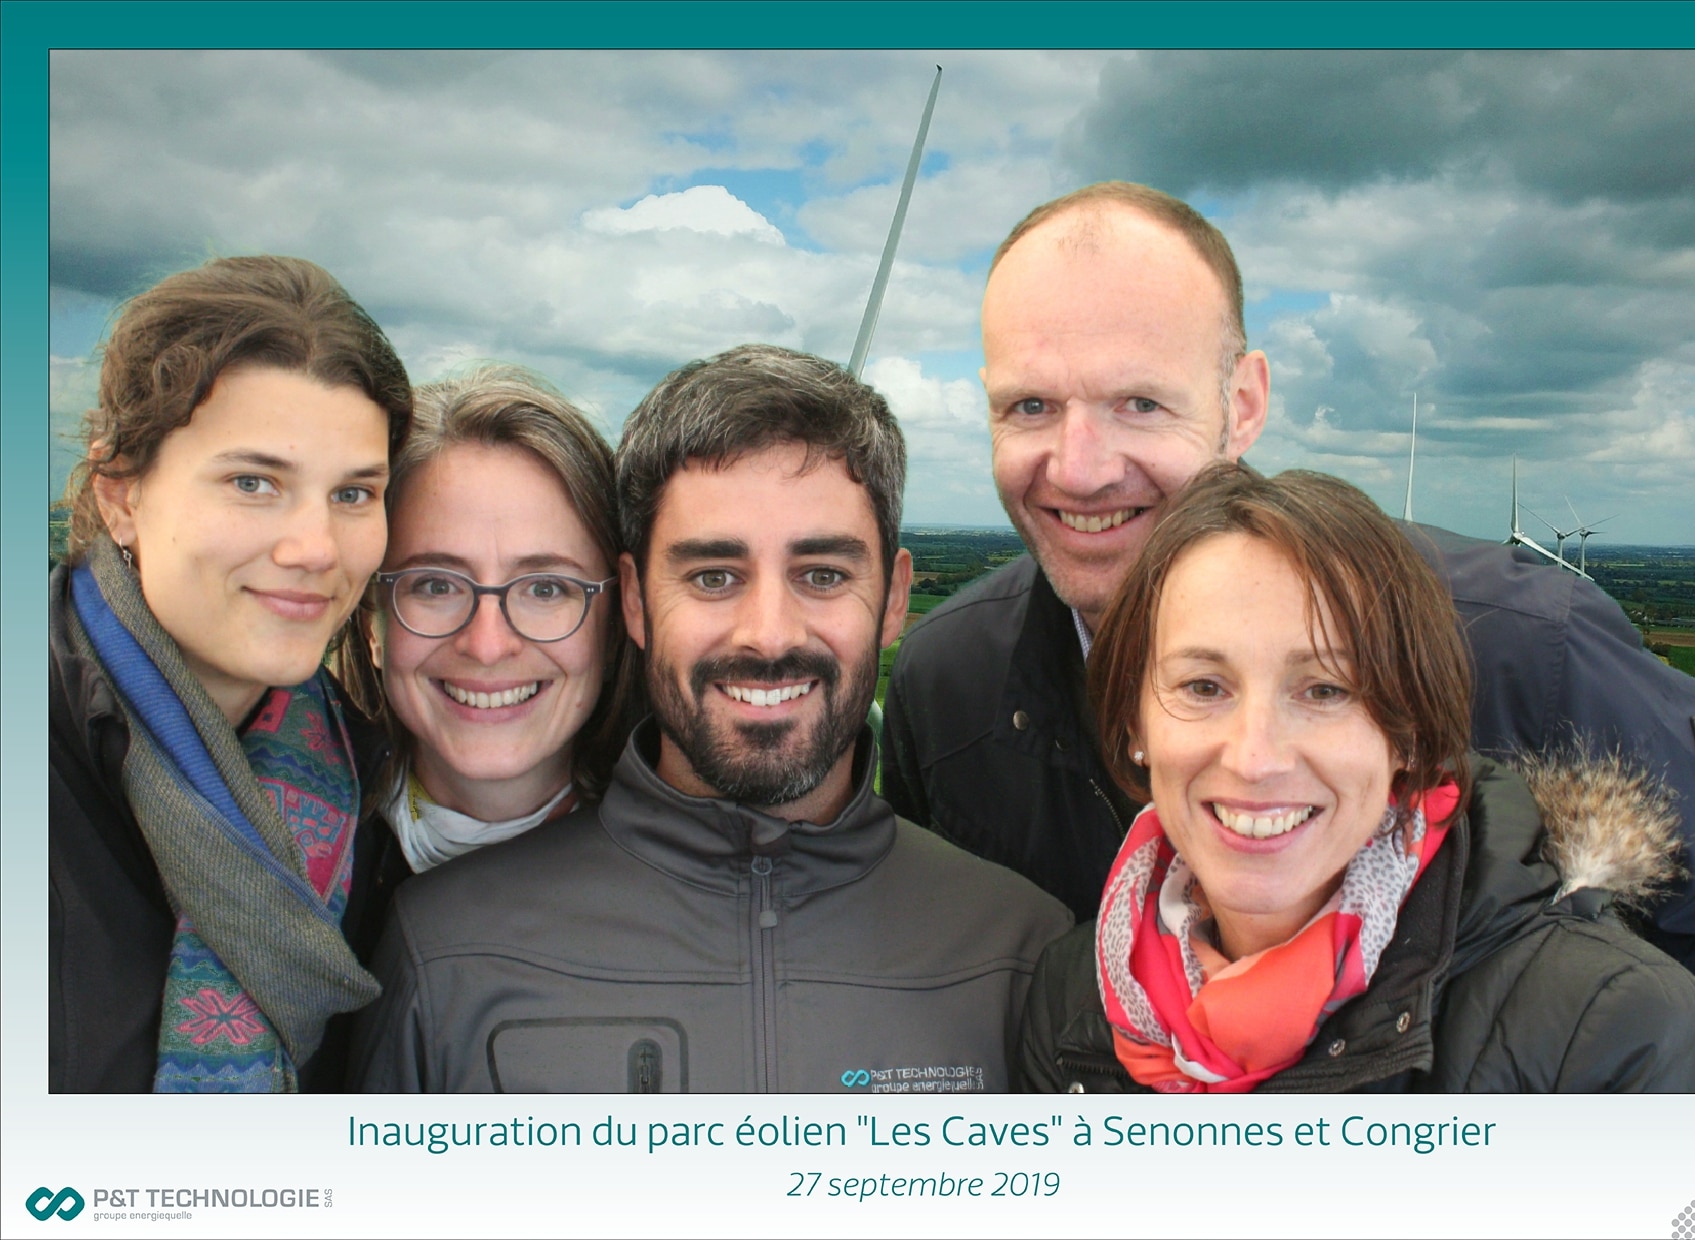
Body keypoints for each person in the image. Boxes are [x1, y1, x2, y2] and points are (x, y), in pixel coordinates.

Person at [880, 182, 1695, 1090]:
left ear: (1242, 403)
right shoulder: (951, 681)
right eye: (1030, 407)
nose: (1078, 468)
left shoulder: (1519, 647)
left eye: (1139, 404)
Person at [353, 344, 1070, 1092]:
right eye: (713, 577)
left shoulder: (1021, 953)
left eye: (822, 575)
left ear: (893, 599)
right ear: (633, 601)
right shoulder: (441, 951)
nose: (769, 632)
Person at [1020, 463, 1695, 1093]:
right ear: (1133, 726)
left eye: (1325, 691)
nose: (1255, 757)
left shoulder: (1623, 1040)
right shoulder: (1071, 1000)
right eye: (1203, 686)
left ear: (1407, 732)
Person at [49, 255, 413, 1092]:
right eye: (254, 482)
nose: (315, 548)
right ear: (121, 496)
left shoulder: (358, 784)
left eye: (355, 494)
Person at [333, 364, 628, 880]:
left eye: (545, 588)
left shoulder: (708, 876)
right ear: (371, 624)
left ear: (614, 629)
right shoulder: (263, 848)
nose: (487, 645)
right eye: (436, 585)